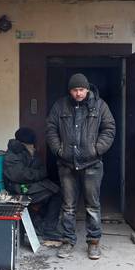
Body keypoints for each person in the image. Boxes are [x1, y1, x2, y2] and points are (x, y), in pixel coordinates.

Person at [46, 73, 116, 260]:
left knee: (92, 206)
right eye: (75, 90)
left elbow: (109, 129)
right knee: (68, 206)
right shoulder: (60, 105)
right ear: (70, 91)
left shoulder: (100, 106)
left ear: (87, 89)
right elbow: (51, 128)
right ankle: (68, 241)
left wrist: (96, 149)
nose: (79, 93)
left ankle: (93, 243)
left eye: (82, 89)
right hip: (67, 164)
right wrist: (58, 149)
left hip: (92, 164)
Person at [3, 127, 61, 245]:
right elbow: (19, 175)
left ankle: (41, 224)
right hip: (18, 189)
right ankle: (48, 229)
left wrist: (37, 174)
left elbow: (38, 169)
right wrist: (39, 174)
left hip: (29, 185)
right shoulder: (13, 153)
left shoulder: (31, 151)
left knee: (56, 190)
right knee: (56, 193)